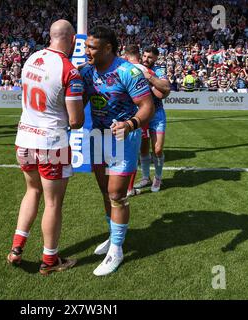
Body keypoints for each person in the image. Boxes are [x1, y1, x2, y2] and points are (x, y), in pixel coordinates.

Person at [7, 20, 85, 275]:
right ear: (72, 40)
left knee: (31, 191)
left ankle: (17, 249)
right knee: (53, 204)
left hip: (24, 138)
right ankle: (50, 261)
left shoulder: (32, 58)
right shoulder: (69, 71)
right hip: (52, 142)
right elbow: (75, 121)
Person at [79, 26, 155, 276]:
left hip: (124, 137)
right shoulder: (87, 72)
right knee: (104, 191)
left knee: (117, 193)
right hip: (98, 136)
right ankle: (113, 237)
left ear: (108, 48)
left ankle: (117, 250)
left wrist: (130, 123)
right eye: (86, 46)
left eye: (91, 47)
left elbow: (147, 106)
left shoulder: (127, 71)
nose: (86, 50)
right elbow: (79, 103)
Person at [124, 45, 170, 195]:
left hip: (156, 114)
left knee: (157, 149)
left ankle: (158, 177)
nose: (146, 59)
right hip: (142, 114)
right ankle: (145, 177)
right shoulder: (135, 69)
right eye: (144, 56)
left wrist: (149, 77)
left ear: (156, 58)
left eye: (150, 57)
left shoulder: (158, 71)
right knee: (142, 149)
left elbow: (165, 89)